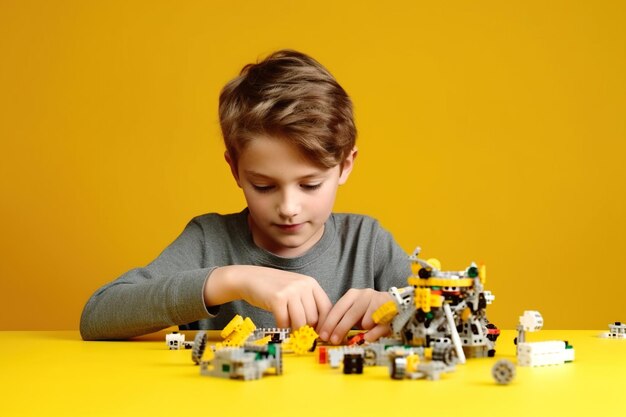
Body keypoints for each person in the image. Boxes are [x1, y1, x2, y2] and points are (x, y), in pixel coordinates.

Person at [80, 50, 411, 344]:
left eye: (310, 185)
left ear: (345, 165)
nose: (288, 209)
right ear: (235, 169)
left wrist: (400, 308)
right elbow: (98, 316)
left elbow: (454, 314)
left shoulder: (368, 245)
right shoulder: (209, 241)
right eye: (264, 186)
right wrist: (233, 279)